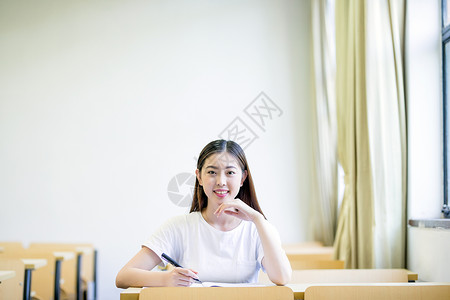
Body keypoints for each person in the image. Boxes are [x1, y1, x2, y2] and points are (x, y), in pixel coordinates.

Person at [116, 139, 292, 288]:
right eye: (212, 172)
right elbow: (123, 277)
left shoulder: (258, 229)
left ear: (243, 178)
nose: (221, 182)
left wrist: (258, 219)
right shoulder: (179, 226)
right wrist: (167, 279)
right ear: (199, 177)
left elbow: (282, 278)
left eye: (230, 172)